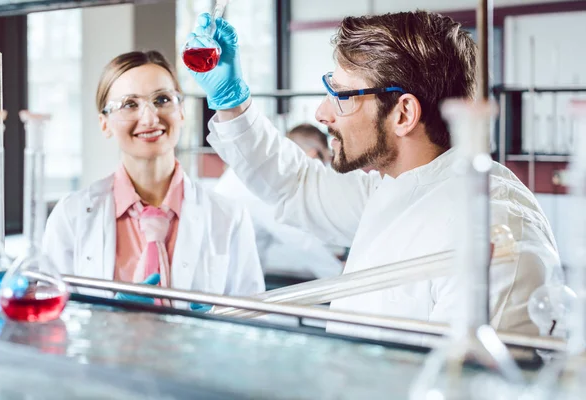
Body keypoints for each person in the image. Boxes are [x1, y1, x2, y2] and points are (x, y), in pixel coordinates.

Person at [186, 11, 561, 340]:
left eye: (341, 96)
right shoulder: (390, 190)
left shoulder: (497, 230)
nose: (322, 112)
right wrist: (231, 102)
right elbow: (294, 185)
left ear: (403, 115)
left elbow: (469, 383)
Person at [42, 50, 265, 308]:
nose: (149, 118)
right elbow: (53, 319)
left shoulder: (228, 217)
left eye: (162, 99)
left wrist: (215, 332)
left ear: (182, 112)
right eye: (130, 104)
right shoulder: (71, 216)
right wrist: (108, 321)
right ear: (104, 123)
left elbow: (255, 319)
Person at [215, 123, 345, 280]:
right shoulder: (265, 177)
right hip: (222, 276)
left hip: (236, 273)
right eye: (323, 162)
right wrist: (340, 274)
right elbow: (299, 240)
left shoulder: (268, 166)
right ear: (312, 155)